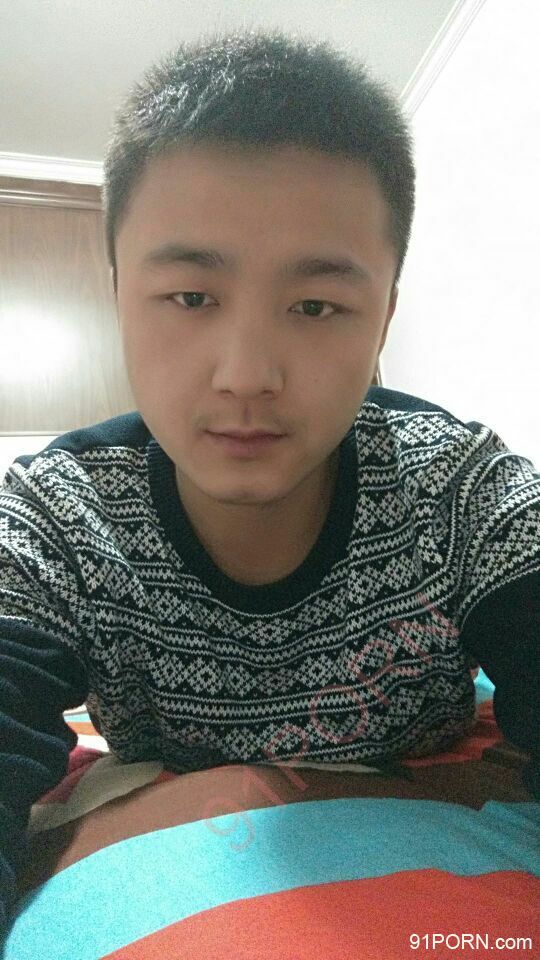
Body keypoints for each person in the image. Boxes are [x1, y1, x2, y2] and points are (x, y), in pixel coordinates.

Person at [1, 26, 538, 934]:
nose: (246, 374)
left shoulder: (462, 488)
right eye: (191, 297)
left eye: (316, 305)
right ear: (119, 292)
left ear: (383, 317)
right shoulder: (56, 518)